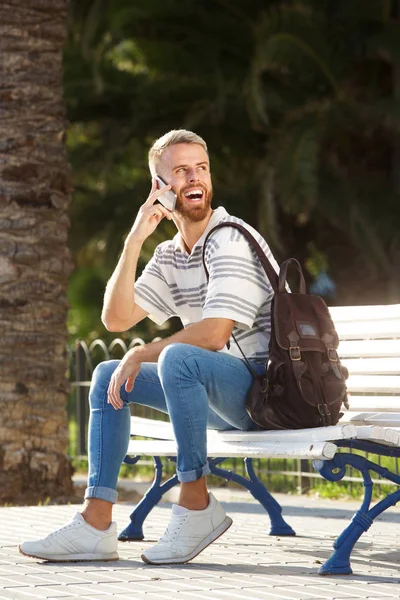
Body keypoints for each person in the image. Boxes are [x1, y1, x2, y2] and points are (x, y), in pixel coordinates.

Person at [19, 129, 279, 565]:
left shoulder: (229, 238)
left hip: (260, 395)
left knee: (175, 357)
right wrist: (135, 239)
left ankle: (196, 503)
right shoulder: (172, 255)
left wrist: (143, 352)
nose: (195, 178)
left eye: (201, 167)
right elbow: (115, 318)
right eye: (180, 171)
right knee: (106, 377)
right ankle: (95, 523)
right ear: (160, 187)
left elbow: (215, 334)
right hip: (216, 393)